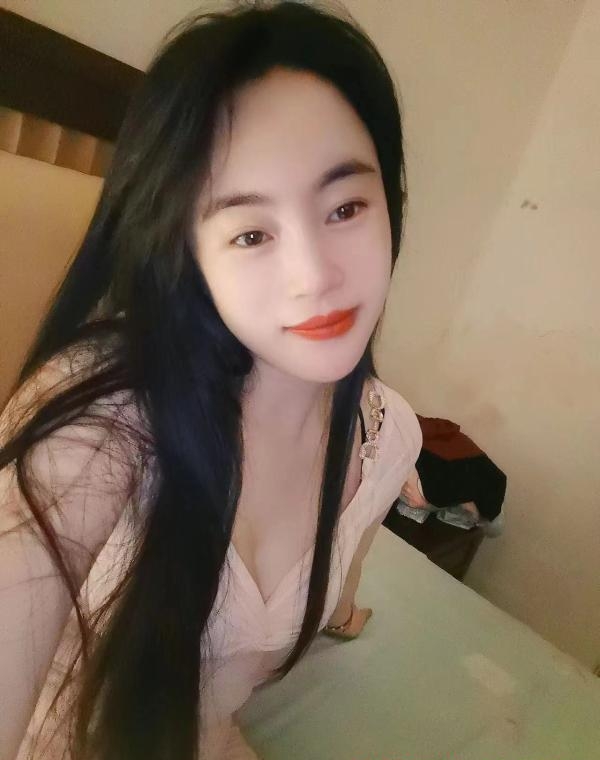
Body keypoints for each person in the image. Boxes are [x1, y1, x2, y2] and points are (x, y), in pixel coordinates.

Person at [0, 2, 422, 758]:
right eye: (252, 233)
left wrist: (345, 615)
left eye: (345, 207)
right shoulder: (103, 412)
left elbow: (343, 574)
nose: (314, 276)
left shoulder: (389, 438)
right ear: (190, 253)